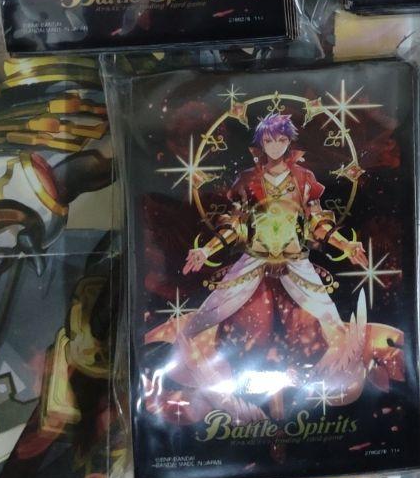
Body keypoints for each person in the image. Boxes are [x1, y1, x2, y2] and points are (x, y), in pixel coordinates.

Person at [147, 112, 402, 421]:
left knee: (331, 323)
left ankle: (339, 374)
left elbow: (317, 223)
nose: (276, 145)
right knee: (209, 313)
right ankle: (185, 358)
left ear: (289, 143)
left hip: (295, 259)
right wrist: (206, 250)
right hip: (254, 257)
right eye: (270, 140)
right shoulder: (248, 180)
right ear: (261, 144)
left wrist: (346, 245)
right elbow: (236, 225)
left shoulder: (304, 179)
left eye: (281, 140)